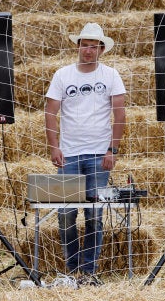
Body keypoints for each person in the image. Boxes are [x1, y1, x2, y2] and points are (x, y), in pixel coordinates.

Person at [44, 22, 126, 286]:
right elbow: (50, 113)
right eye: (84, 45)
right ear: (78, 46)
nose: (88, 51)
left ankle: (89, 270)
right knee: (65, 213)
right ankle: (71, 269)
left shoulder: (111, 75)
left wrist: (112, 149)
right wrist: (54, 146)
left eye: (94, 46)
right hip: (68, 155)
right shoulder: (62, 75)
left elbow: (120, 114)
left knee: (94, 215)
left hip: (98, 155)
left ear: (101, 49)